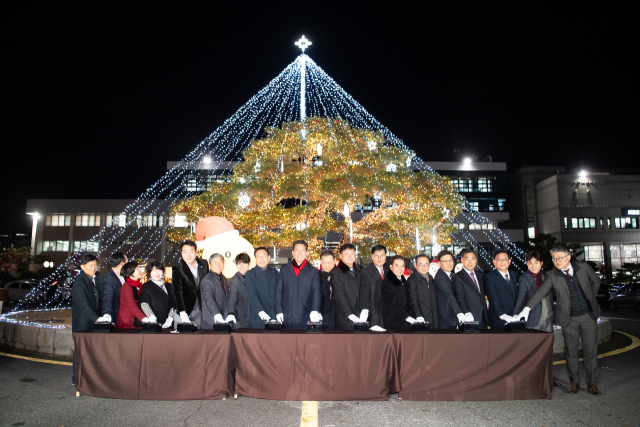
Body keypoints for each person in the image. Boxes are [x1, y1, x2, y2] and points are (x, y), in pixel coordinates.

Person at [516, 245, 602, 395]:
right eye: (554, 258)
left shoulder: (583, 267)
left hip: (588, 316)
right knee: (571, 352)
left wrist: (590, 297)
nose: (557, 261)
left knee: (590, 351)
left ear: (569, 257)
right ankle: (574, 381)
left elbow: (596, 282)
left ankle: (592, 382)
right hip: (569, 319)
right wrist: (527, 309)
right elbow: (541, 291)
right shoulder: (552, 274)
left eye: (560, 258)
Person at [275, 240, 321, 329]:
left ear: (307, 253)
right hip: (287, 317)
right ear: (293, 252)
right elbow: (278, 291)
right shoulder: (284, 269)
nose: (299, 253)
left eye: (302, 250)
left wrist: (315, 310)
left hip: (306, 317)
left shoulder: (313, 271)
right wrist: (278, 311)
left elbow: (316, 292)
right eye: (297, 250)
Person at [71, 253, 103, 385]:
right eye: (90, 266)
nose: (94, 268)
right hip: (83, 322)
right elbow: (84, 304)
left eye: (95, 265)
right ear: (82, 267)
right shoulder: (79, 282)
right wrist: (97, 319)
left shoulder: (95, 279)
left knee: (91, 351)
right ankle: (76, 378)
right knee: (80, 351)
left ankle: (89, 377)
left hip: (93, 321)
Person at [513, 251, 554, 332]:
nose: (533, 266)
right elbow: (521, 297)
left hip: (549, 318)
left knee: (549, 343)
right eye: (530, 263)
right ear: (527, 264)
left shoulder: (547, 276)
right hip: (533, 319)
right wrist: (516, 314)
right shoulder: (524, 279)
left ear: (541, 263)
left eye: (536, 263)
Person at [172, 240, 209, 328]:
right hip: (184, 310)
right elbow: (177, 291)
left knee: (198, 337)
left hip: (199, 309)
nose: (188, 255)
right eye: (185, 252)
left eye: (191, 252)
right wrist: (182, 312)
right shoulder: (177, 268)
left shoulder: (203, 264)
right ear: (181, 253)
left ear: (196, 252)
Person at [332, 243, 368, 329]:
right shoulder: (336, 272)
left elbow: (365, 291)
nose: (350, 256)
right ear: (341, 256)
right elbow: (340, 296)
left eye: (352, 253)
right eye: (346, 254)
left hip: (362, 316)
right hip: (345, 318)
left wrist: (365, 309)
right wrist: (349, 314)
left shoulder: (360, 269)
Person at [452, 249, 488, 328]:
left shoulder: (480, 275)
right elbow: (460, 297)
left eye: (472, 259)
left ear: (475, 260)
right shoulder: (457, 277)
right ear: (462, 260)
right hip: (469, 318)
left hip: (483, 317)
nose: (470, 262)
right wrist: (467, 312)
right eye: (467, 259)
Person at [484, 251, 520, 329]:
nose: (502, 262)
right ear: (494, 261)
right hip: (499, 320)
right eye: (499, 259)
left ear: (509, 261)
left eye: (505, 259)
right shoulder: (489, 277)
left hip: (515, 318)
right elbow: (493, 298)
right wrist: (502, 315)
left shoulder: (515, 275)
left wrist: (517, 313)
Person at [245, 247, 279, 328]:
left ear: (269, 258)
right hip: (258, 318)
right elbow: (252, 295)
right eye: (258, 256)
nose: (261, 258)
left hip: (274, 316)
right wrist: (261, 311)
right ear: (255, 259)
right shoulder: (250, 274)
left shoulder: (275, 272)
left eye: (263, 255)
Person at [433, 250, 465, 329]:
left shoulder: (450, 275)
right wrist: (459, 313)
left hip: (451, 317)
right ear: (439, 263)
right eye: (445, 261)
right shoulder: (441, 278)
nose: (449, 263)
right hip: (445, 318)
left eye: (450, 260)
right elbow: (449, 295)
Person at [382, 255, 415, 331]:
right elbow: (393, 302)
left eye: (402, 266)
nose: (400, 269)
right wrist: (408, 318)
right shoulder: (387, 283)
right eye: (397, 266)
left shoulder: (403, 281)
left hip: (405, 322)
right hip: (394, 323)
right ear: (391, 267)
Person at [360, 244, 389, 329]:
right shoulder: (366, 271)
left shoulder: (389, 269)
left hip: (388, 312)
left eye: (382, 255)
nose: (379, 258)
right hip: (375, 311)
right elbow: (365, 293)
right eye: (376, 255)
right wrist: (365, 310)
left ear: (385, 256)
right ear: (372, 256)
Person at [139, 261, 175, 329]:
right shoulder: (146, 286)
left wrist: (170, 318)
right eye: (154, 270)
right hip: (153, 323)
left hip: (168, 323)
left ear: (163, 272)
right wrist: (152, 318)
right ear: (150, 273)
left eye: (159, 270)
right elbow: (144, 303)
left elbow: (174, 304)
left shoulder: (169, 286)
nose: (157, 273)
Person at [116, 262, 152, 329]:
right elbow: (131, 305)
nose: (140, 271)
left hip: (136, 320)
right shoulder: (126, 287)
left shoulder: (139, 285)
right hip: (127, 322)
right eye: (137, 269)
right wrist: (143, 318)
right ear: (131, 273)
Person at [407, 254, 438, 328]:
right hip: (422, 320)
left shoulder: (430, 277)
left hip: (433, 318)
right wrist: (419, 316)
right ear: (415, 265)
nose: (424, 267)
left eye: (426, 264)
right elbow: (413, 299)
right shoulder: (412, 280)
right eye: (420, 265)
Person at [200, 253, 229, 330]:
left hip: (223, 321)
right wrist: (217, 315)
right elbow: (209, 299)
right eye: (215, 262)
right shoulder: (207, 280)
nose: (218, 265)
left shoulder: (224, 279)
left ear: (223, 264)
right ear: (210, 265)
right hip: (211, 321)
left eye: (220, 262)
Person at [100, 252, 127, 323]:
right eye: (127, 262)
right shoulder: (109, 278)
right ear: (121, 263)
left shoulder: (123, 276)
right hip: (116, 317)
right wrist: (107, 314)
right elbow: (107, 297)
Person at [227, 252, 250, 328]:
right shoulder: (234, 280)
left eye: (244, 263)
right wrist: (231, 313)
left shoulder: (252, 277)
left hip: (254, 318)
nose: (242, 266)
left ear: (249, 264)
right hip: (240, 318)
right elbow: (232, 298)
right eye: (239, 263)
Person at [318, 250, 337, 329]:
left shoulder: (340, 275)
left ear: (334, 261)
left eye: (329, 263)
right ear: (320, 262)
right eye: (324, 263)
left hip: (339, 313)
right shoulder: (316, 275)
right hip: (322, 312)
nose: (327, 266)